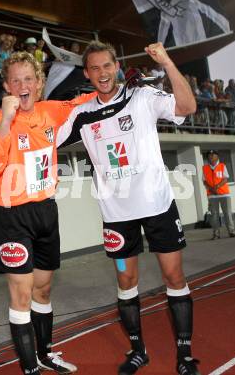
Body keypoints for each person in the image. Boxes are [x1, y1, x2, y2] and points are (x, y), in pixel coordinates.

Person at [57, 41, 200, 375]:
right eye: (95, 68)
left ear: (116, 66)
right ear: (87, 73)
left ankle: (184, 354)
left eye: (107, 66)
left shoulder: (143, 96)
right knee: (126, 280)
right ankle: (137, 351)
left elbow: (188, 106)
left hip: (158, 207)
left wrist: (166, 62)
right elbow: (44, 140)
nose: (102, 73)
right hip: (117, 217)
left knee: (174, 276)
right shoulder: (81, 113)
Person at [0, 51, 95, 375]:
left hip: (46, 211)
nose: (22, 85)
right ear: (6, 86)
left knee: (42, 289)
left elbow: (85, 101)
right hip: (12, 216)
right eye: (15, 80)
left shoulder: (51, 111)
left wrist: (112, 86)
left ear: (40, 84)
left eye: (28, 79)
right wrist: (4, 119)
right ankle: (29, 367)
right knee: (21, 293)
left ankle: (44, 353)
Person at [202, 150, 235, 239]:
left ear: (217, 157)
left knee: (227, 213)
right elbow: (204, 181)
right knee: (214, 215)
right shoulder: (205, 168)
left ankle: (231, 231)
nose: (211, 157)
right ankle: (216, 234)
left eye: (213, 155)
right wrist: (211, 189)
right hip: (212, 195)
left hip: (224, 194)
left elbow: (225, 179)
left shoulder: (222, 166)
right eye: (209, 155)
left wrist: (216, 187)